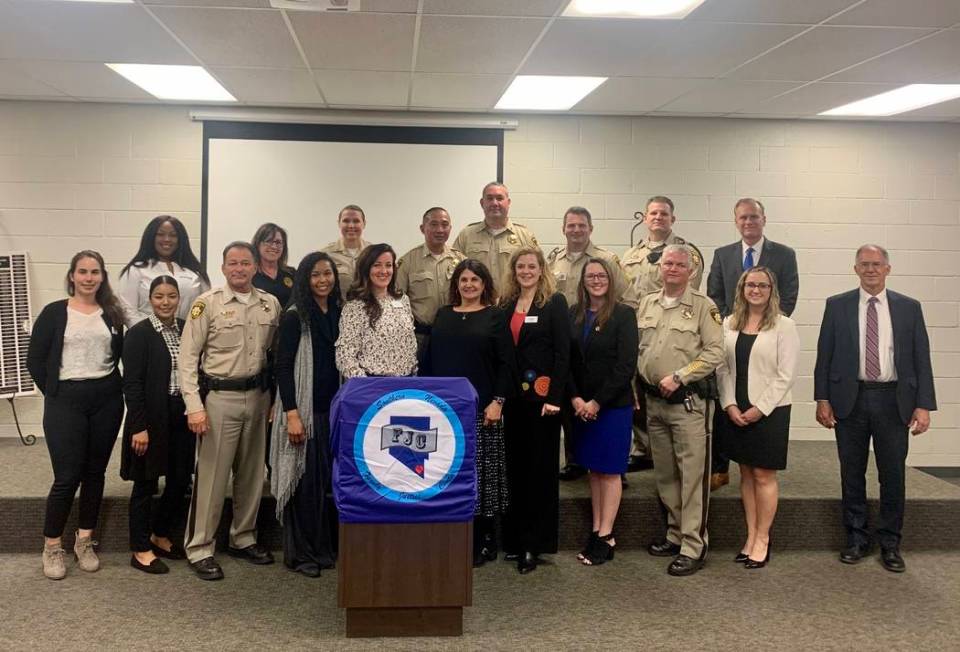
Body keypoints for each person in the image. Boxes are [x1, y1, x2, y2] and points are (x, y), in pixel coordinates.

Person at [814, 245, 936, 573]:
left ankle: (890, 543)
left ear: (888, 269)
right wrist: (822, 398)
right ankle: (856, 538)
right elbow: (823, 356)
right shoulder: (837, 305)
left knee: (892, 474)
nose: (870, 269)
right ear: (855, 269)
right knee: (851, 472)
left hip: (893, 400)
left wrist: (924, 405)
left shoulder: (909, 308)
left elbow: (922, 359)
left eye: (877, 264)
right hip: (848, 400)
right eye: (864, 264)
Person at [179, 242, 280, 581]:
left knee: (252, 475)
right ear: (223, 268)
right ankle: (200, 547)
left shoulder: (270, 304)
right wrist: (194, 407)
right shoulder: (205, 305)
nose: (239, 269)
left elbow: (276, 357)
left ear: (255, 267)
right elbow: (188, 360)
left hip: (259, 396)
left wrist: (275, 401)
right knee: (212, 478)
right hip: (219, 399)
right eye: (233, 263)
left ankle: (243, 537)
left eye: (245, 263)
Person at [27, 250, 125, 580]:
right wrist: (54, 392)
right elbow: (35, 359)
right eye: (82, 271)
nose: (88, 277)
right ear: (72, 276)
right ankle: (53, 547)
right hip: (65, 400)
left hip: (106, 400)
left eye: (94, 271)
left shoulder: (112, 312)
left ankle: (85, 541)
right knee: (67, 476)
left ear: (102, 276)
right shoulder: (55, 312)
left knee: (95, 473)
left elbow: (119, 353)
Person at [636, 245, 723, 576]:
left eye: (679, 265)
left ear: (691, 271)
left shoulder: (703, 307)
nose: (672, 268)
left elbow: (715, 352)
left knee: (692, 478)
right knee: (666, 475)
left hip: (687, 404)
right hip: (654, 403)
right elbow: (640, 351)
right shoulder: (647, 304)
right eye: (667, 263)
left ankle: (693, 544)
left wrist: (681, 376)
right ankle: (674, 534)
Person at [707, 197, 800, 491]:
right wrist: (734, 325)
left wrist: (764, 325)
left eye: (754, 217)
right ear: (736, 221)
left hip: (768, 337)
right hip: (734, 334)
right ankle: (721, 468)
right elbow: (715, 295)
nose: (749, 222)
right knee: (727, 396)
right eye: (743, 218)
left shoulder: (784, 254)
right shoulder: (723, 254)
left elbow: (789, 296)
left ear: (764, 219)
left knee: (761, 468)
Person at [424, 259, 512, 567]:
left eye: (475, 279)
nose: (469, 285)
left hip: (482, 410)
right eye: (464, 280)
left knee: (481, 477)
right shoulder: (444, 315)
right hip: (445, 412)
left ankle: (484, 540)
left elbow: (506, 363)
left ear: (485, 284)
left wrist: (498, 401)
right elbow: (431, 361)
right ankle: (452, 537)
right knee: (447, 474)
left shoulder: (495, 317)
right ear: (456, 284)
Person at [715, 267, 799, 569]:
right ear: (742, 288)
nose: (756, 290)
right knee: (746, 474)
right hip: (735, 409)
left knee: (764, 475)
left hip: (770, 411)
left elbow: (785, 375)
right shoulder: (729, 323)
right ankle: (750, 536)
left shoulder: (784, 325)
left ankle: (763, 538)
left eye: (762, 285)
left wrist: (758, 409)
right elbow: (721, 368)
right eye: (751, 285)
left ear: (771, 290)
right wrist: (729, 405)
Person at [547, 206, 634, 482]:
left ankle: (614, 466)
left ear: (591, 228)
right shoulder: (552, 261)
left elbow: (628, 297)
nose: (576, 230)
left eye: (582, 225)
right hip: (570, 335)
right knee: (572, 402)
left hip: (605, 336)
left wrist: (615, 328)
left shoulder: (606, 259)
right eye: (571, 225)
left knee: (608, 404)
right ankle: (575, 460)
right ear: (563, 229)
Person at [270, 252, 342, 577]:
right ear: (304, 279)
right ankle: (301, 555)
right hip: (304, 414)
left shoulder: (339, 313)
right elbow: (283, 368)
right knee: (304, 486)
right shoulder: (295, 317)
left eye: (328, 273)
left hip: (331, 411)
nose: (323, 280)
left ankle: (323, 549)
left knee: (324, 484)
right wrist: (293, 414)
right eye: (315, 275)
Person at [499, 247, 569, 574]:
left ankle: (534, 543)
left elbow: (562, 353)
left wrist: (555, 397)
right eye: (520, 266)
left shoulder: (554, 303)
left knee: (539, 472)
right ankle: (514, 540)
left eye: (532, 266)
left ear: (542, 270)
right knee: (515, 470)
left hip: (543, 402)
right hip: (513, 400)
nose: (526, 271)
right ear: (514, 271)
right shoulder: (506, 305)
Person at [621, 196, 703, 473]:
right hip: (637, 327)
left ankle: (664, 448)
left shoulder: (686, 253)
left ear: (673, 219)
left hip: (671, 328)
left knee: (665, 386)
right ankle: (642, 448)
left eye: (664, 214)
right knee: (637, 386)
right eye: (653, 213)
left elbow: (687, 293)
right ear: (645, 218)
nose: (658, 217)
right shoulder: (631, 255)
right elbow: (624, 294)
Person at [120, 276, 194, 575]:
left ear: (179, 298)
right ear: (150, 299)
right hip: (151, 417)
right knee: (146, 483)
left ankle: (160, 535)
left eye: (172, 296)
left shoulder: (187, 328)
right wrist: (139, 426)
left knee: (179, 480)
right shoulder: (139, 334)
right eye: (159, 296)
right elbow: (132, 384)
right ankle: (139, 548)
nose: (166, 302)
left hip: (182, 414)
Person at [567, 258, 638, 566]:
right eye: (590, 276)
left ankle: (607, 535)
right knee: (594, 471)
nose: (596, 280)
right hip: (581, 407)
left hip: (611, 408)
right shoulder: (574, 314)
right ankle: (597, 528)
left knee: (609, 472)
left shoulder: (624, 315)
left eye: (601, 275)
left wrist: (596, 402)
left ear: (611, 279)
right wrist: (576, 399)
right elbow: (567, 360)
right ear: (583, 281)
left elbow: (625, 366)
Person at [335, 243, 417, 378]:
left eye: (388, 265)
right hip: (372, 384)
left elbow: (409, 344)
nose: (384, 271)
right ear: (366, 268)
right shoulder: (354, 307)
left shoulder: (403, 300)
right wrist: (366, 385)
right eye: (377, 265)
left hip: (405, 384)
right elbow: (345, 355)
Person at [117, 215, 209, 327]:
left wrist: (193, 333)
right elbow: (128, 311)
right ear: (151, 237)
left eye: (173, 235)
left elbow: (204, 307)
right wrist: (148, 334)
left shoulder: (194, 271)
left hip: (188, 338)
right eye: (160, 234)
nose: (167, 239)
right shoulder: (136, 270)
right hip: (146, 339)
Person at [395, 207, 464, 356]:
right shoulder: (407, 262)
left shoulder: (461, 261)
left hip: (453, 334)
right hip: (420, 337)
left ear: (450, 228)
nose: (440, 229)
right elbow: (397, 302)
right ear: (422, 228)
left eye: (444, 225)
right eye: (433, 224)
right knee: (420, 378)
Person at [452, 181, 539, 285]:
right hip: (477, 300)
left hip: (513, 300)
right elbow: (455, 273)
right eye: (489, 198)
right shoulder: (466, 235)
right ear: (482, 203)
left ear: (508, 202)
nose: (494, 203)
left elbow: (538, 272)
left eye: (499, 198)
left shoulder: (524, 236)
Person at [322, 204, 370, 301]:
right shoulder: (325, 255)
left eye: (356, 221)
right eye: (346, 221)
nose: (351, 225)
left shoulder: (374, 253)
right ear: (339, 223)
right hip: (337, 312)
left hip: (370, 311)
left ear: (364, 223)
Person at [251, 222, 296, 308]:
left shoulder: (291, 273)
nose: (274, 246)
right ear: (258, 244)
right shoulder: (250, 275)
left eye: (278, 242)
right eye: (268, 241)